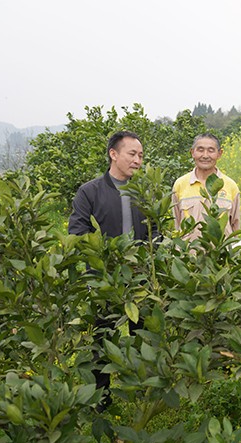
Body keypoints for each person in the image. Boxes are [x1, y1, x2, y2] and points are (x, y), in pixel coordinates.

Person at [68, 130, 150, 412]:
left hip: (140, 280)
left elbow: (156, 233)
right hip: (105, 281)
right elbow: (77, 233)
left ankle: (142, 392)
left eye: (140, 155)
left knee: (143, 336)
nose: (137, 160)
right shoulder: (90, 191)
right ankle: (101, 399)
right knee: (102, 339)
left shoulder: (143, 192)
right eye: (132, 154)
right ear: (113, 154)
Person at [172, 133, 241, 240]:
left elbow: (235, 228)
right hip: (188, 255)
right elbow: (176, 224)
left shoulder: (230, 186)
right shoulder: (180, 184)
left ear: (219, 153)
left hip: (220, 254)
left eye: (211, 150)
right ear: (192, 152)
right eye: (200, 150)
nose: (205, 155)